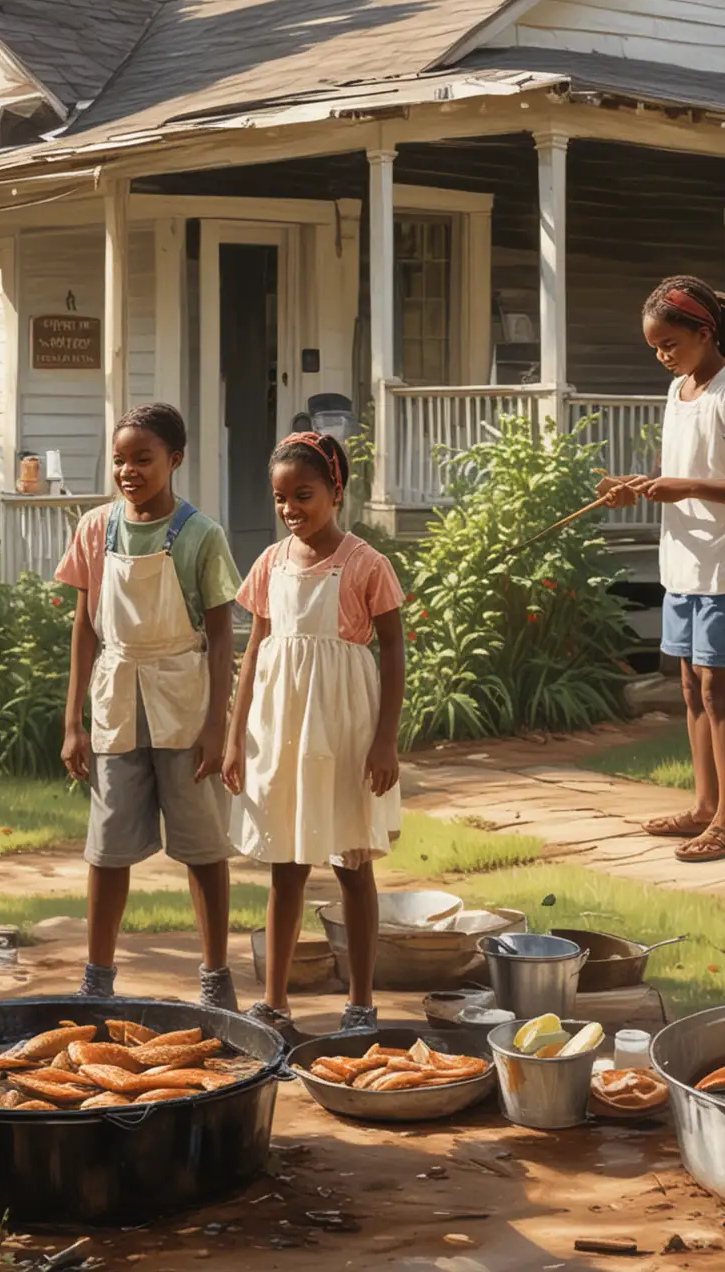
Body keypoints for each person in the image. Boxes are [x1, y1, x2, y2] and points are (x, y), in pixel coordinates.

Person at [58, 403, 241, 1009]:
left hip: (185, 700)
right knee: (107, 848)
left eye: (143, 458)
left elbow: (221, 637)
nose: (128, 470)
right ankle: (97, 979)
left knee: (203, 845)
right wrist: (73, 721)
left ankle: (216, 980)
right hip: (116, 698)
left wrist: (219, 726)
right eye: (119, 460)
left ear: (175, 460)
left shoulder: (201, 536)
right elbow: (84, 628)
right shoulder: (94, 529)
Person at [224, 432, 405, 1036]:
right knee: (286, 861)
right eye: (280, 498)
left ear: (336, 491)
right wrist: (234, 734)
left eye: (303, 495)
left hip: (346, 728)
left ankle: (360, 1005)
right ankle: (274, 1003)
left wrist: (385, 741)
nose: (290, 509)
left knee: (353, 862)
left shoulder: (365, 564)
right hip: (282, 728)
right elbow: (252, 652)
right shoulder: (269, 563)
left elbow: (395, 651)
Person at [598, 275, 725, 864]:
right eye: (655, 348)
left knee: (716, 688)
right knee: (688, 686)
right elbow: (679, 469)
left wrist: (684, 488)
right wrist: (637, 487)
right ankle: (704, 808)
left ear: (706, 333)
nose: (663, 356)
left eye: (671, 343)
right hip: (684, 561)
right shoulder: (679, 392)